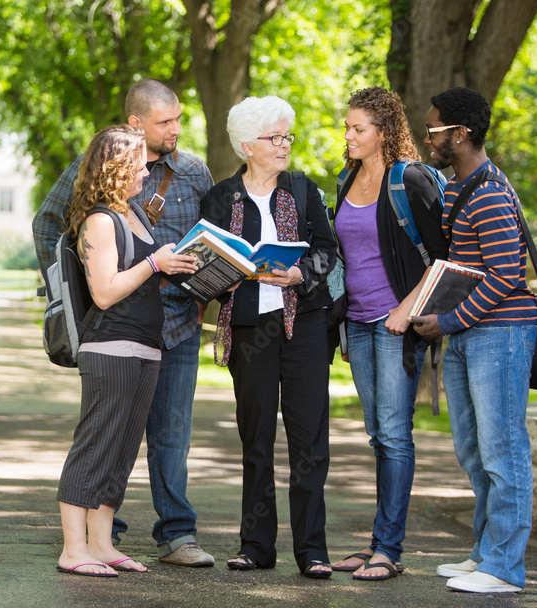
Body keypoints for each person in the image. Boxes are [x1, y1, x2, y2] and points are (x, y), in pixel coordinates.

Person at [33, 79, 216, 567]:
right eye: (165, 122)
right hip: (113, 333)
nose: (175, 130)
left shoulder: (183, 179)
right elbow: (56, 233)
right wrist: (73, 297)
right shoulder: (99, 197)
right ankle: (87, 541)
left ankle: (145, 539)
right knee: (102, 438)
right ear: (135, 128)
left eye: (178, 119)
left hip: (166, 331)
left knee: (153, 437)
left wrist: (202, 295)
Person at [199, 96, 338, 578]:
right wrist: (229, 273)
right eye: (274, 138)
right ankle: (256, 546)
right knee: (256, 439)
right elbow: (204, 265)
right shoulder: (220, 198)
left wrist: (301, 274)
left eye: (287, 137)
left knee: (309, 441)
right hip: (251, 329)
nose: (284, 146)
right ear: (246, 145)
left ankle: (312, 551)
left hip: (306, 328)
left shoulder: (304, 190)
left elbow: (327, 249)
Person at [411, 87, 537, 594]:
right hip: (470, 331)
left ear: (460, 135)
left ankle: (505, 569)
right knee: (473, 450)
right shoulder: (463, 184)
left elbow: (508, 274)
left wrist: (448, 321)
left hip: (501, 334)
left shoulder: (489, 192)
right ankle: (486, 553)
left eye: (434, 130)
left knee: (503, 452)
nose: (428, 139)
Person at [55, 125, 198, 577]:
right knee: (96, 446)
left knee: (121, 450)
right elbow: (105, 291)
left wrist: (175, 266)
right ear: (117, 168)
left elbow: (141, 274)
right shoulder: (100, 220)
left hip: (146, 347)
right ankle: (73, 549)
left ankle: (100, 544)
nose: (145, 170)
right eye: (137, 163)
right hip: (111, 348)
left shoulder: (134, 212)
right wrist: (155, 263)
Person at [330, 87, 449, 581]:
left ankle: (389, 550)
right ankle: (379, 539)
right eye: (348, 127)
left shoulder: (410, 180)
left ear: (383, 132)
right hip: (356, 323)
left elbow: (444, 257)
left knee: (396, 435)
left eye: (359, 128)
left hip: (394, 322)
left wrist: (406, 309)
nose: (349, 136)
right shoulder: (345, 179)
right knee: (379, 435)